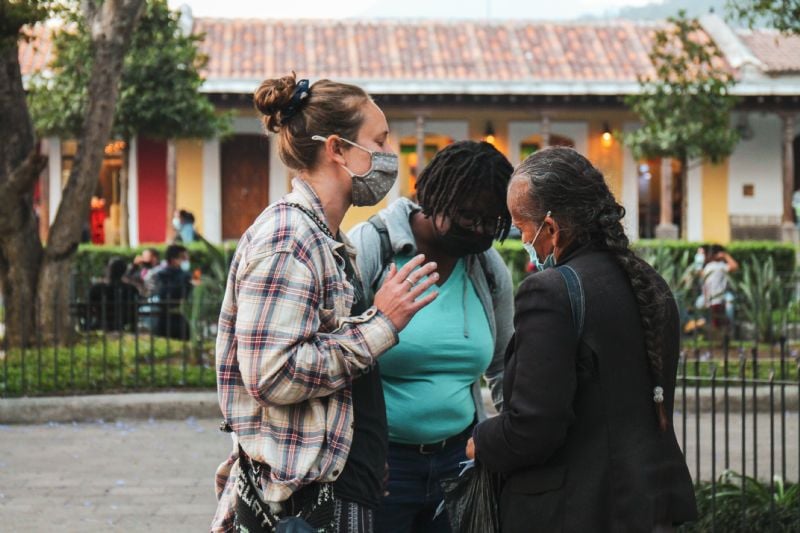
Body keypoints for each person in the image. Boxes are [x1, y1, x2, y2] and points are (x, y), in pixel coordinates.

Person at [212, 73, 440, 533]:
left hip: (341, 488)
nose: (387, 157)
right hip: (305, 503)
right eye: (377, 142)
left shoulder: (326, 238)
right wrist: (382, 324)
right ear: (337, 148)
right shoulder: (288, 238)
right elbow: (271, 375)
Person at [467, 146, 697, 532]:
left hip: (574, 511)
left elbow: (534, 428)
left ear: (552, 228)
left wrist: (482, 439)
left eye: (522, 228)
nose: (523, 239)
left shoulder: (550, 292)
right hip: (646, 506)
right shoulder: (651, 284)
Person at [348, 140, 514, 532]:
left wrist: (508, 443)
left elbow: (506, 364)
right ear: (433, 196)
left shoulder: (487, 268)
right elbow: (338, 352)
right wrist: (359, 452)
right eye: (469, 217)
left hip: (462, 459)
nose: (480, 231)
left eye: (493, 223)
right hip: (384, 464)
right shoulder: (373, 247)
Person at [145, 244, 193, 340]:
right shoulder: (159, 275)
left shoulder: (186, 276)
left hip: (172, 318)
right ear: (173, 259)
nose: (186, 261)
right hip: (170, 319)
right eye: (183, 258)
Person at [86, 257, 140, 331]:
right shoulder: (132, 289)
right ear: (124, 271)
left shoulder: (96, 288)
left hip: (102, 322)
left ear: (108, 270)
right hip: (125, 322)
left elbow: (88, 306)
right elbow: (137, 306)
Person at [702, 244, 738, 334]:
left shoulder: (714, 266)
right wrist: (726, 256)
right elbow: (735, 266)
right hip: (715, 298)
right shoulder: (716, 266)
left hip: (716, 297)